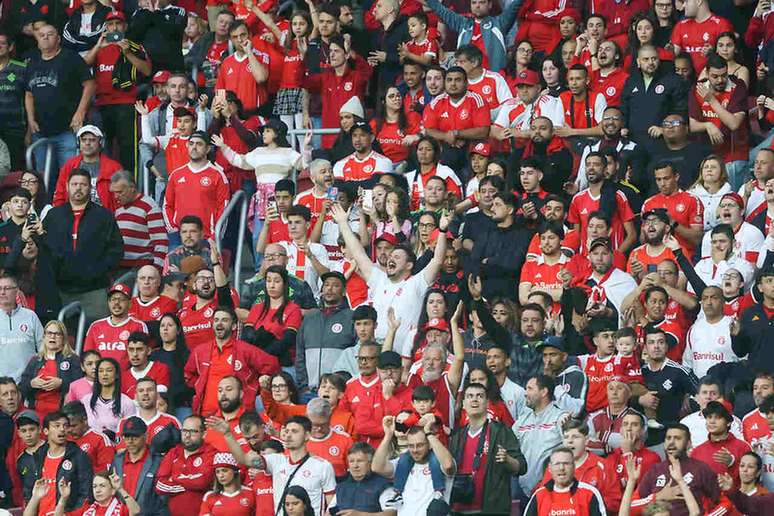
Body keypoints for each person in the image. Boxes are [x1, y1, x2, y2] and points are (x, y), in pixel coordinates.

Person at [331, 201, 446, 352]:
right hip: (375, 352)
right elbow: (358, 254)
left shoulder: (417, 282)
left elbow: (437, 260)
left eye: (397, 257)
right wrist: (343, 224)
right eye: (391, 256)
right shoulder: (380, 279)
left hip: (403, 354)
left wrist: (443, 231)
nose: (391, 259)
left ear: (409, 265)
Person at [43, 169, 124, 319]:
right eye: (74, 184)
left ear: (90, 188)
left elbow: (116, 250)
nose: (78, 188)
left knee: (97, 333)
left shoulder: (103, 216)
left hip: (94, 289)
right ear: (67, 187)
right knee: (63, 337)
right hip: (61, 289)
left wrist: (98, 270)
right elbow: (44, 249)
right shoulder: (54, 215)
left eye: (83, 184)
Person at [82, 10, 152, 171]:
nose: (114, 28)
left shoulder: (134, 46)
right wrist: (98, 45)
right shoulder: (100, 48)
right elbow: (83, 66)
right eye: (110, 24)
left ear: (125, 26)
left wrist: (127, 52)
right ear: (106, 28)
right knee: (100, 149)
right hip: (102, 104)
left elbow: (147, 71)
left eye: (118, 24)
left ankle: (129, 187)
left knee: (128, 150)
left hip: (126, 104)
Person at [24, 24, 95, 181]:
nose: (45, 37)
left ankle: (69, 205)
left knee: (71, 176)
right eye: (41, 35)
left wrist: (80, 112)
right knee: (42, 178)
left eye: (50, 34)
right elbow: (28, 94)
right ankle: (45, 205)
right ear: (37, 40)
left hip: (67, 130)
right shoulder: (32, 62)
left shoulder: (71, 58)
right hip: (41, 132)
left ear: (58, 39)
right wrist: (30, 120)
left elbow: (89, 84)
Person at [448, 381, 526, 514]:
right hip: (458, 510)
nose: (474, 399)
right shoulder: (457, 436)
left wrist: (507, 460)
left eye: (479, 396)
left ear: (487, 402)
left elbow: (522, 467)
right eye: (469, 396)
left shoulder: (501, 431)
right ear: (463, 404)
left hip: (491, 510)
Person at [185, 306, 279, 416]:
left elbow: (272, 364)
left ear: (234, 326)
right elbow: (188, 374)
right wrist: (199, 385)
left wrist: (254, 386)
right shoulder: (200, 351)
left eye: (224, 320)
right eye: (216, 320)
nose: (219, 323)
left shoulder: (245, 349)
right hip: (206, 415)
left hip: (237, 415)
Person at [372, 414, 455, 514]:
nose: (415, 450)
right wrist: (388, 435)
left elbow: (448, 465)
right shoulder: (402, 463)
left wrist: (429, 434)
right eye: (411, 446)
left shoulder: (439, 461)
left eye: (420, 445)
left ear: (429, 444)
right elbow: (376, 467)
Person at [689, 53, 749, 190]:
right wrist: (708, 125)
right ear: (707, 73)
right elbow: (692, 125)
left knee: (731, 193)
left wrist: (711, 100)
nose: (720, 80)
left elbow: (734, 124)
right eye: (715, 76)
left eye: (723, 75)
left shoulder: (737, 86)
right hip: (707, 153)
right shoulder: (698, 88)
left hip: (733, 153)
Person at [19, 411, 93, 515]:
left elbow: (86, 495)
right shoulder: (38, 457)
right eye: (57, 426)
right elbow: (29, 493)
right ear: (45, 431)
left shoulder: (79, 456)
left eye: (65, 426)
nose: (62, 429)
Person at [638, 424, 721, 516]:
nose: (671, 442)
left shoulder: (700, 468)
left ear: (688, 444)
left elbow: (720, 500)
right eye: (668, 438)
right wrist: (658, 496)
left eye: (677, 438)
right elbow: (636, 504)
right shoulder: (655, 469)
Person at [162, 130, 230, 242]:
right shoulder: (176, 174)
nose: (194, 147)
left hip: (206, 239)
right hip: (179, 237)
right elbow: (167, 205)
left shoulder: (218, 175)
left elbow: (224, 209)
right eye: (191, 143)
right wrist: (173, 230)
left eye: (199, 144)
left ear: (207, 149)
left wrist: (215, 237)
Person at [620, 45, 688, 151]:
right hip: (633, 141)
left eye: (654, 59)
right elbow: (624, 106)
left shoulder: (672, 81)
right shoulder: (631, 81)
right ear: (638, 62)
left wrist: (665, 129)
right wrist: (623, 126)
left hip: (661, 142)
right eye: (646, 59)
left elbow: (681, 111)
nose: (651, 63)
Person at [295, 271, 355, 391]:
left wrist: (345, 383)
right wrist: (304, 385)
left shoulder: (351, 317)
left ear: (343, 292)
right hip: (310, 390)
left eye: (335, 285)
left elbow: (355, 353)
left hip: (339, 390)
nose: (329, 289)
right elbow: (300, 353)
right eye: (326, 285)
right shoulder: (310, 317)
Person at [425, 0, 520, 72]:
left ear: (490, 4)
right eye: (474, 2)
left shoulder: (500, 23)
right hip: (466, 79)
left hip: (493, 77)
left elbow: (515, 5)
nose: (477, 6)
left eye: (481, 2)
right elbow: (439, 9)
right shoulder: (462, 23)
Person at [515, 375, 569, 496]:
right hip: (522, 491)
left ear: (544, 392)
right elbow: (509, 446)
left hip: (551, 490)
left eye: (530, 388)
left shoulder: (560, 418)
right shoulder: (522, 421)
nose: (525, 393)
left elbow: (572, 451)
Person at [19, 320, 81, 419]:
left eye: (57, 334)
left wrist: (62, 383)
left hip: (62, 414)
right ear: (44, 337)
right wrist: (31, 383)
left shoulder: (73, 359)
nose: (52, 337)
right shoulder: (35, 360)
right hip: (35, 413)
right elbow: (22, 387)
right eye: (49, 333)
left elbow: (80, 386)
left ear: (64, 338)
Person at [109, 171, 168, 272]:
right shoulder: (119, 209)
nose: (115, 196)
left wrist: (157, 269)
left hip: (141, 268)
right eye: (114, 192)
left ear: (132, 188)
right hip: (119, 267)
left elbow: (161, 241)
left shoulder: (149, 206)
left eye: (119, 192)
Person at [111, 416, 169, 515]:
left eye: (135, 436)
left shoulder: (158, 461)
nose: (130, 441)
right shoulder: (117, 460)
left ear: (145, 436)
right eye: (127, 436)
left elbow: (163, 500)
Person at [524, 447, 606, 516]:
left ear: (574, 467)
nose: (561, 468)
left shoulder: (589, 493)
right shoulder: (539, 495)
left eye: (566, 463)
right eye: (557, 464)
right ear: (550, 468)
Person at [83, 283, 148, 369]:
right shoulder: (95, 326)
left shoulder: (138, 326)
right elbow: (88, 357)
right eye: (113, 299)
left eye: (121, 299)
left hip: (128, 378)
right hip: (100, 378)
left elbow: (142, 357)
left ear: (130, 304)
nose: (116, 303)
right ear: (108, 303)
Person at [330, 441, 396, 514]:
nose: (355, 466)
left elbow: (392, 513)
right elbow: (329, 512)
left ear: (371, 462)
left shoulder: (383, 485)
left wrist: (360, 515)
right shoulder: (341, 486)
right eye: (351, 461)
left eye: (360, 461)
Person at [0, 272, 43, 382]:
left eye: (7, 288)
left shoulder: (30, 316)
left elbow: (43, 348)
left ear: (17, 291)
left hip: (28, 383)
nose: (2, 292)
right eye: (0, 288)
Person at [81, 357, 136, 438]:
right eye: (101, 371)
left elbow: (131, 431)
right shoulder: (86, 400)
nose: (104, 374)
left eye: (109, 370)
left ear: (117, 374)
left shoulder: (126, 402)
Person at [127, 0, 186, 73]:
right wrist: (149, 12)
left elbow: (172, 33)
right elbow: (133, 36)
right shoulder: (139, 13)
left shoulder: (177, 11)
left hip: (172, 66)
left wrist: (156, 13)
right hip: (147, 67)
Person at [62, 400, 115, 474]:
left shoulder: (100, 439)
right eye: (67, 426)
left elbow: (107, 470)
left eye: (74, 426)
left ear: (85, 420)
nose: (69, 430)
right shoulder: (63, 439)